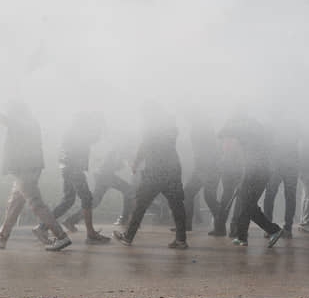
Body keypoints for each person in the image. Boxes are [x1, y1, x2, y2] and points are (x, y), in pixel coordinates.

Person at [0, 86, 71, 251]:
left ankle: (61, 236)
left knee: (36, 204)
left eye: (9, 109)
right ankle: (1, 238)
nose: (8, 112)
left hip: (24, 170)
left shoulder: (18, 122)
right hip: (29, 169)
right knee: (14, 204)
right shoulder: (30, 122)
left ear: (15, 110)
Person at [112, 104, 189, 249]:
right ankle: (181, 240)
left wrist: (136, 162)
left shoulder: (151, 127)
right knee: (177, 205)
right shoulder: (170, 125)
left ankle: (128, 237)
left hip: (154, 172)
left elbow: (144, 145)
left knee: (140, 204)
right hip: (172, 170)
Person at [34, 112, 109, 245]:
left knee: (68, 200)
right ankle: (91, 234)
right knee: (87, 198)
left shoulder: (72, 131)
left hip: (67, 166)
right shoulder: (79, 132)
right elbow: (94, 138)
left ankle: (42, 227)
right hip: (74, 167)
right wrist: (101, 125)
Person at [218, 113, 283, 248]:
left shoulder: (249, 137)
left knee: (248, 205)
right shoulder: (251, 135)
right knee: (247, 204)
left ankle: (273, 230)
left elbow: (251, 162)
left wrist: (243, 179)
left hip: (257, 175)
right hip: (256, 173)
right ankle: (242, 237)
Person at [65, 141, 135, 228]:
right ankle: (124, 219)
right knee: (129, 190)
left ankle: (71, 221)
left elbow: (115, 165)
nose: (131, 149)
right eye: (130, 147)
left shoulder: (117, 151)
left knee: (95, 202)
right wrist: (131, 165)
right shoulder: (118, 151)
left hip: (102, 175)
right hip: (106, 176)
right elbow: (118, 164)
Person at [182, 118, 223, 233]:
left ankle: (220, 226)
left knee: (207, 197)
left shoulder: (200, 130)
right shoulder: (201, 129)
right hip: (206, 169)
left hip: (207, 169)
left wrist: (202, 169)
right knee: (191, 193)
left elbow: (205, 152)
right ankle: (186, 224)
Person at [262, 123, 299, 238]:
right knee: (288, 197)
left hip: (278, 164)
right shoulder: (293, 123)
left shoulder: (271, 125)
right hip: (288, 163)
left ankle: (270, 228)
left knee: (271, 195)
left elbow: (266, 144)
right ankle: (286, 228)